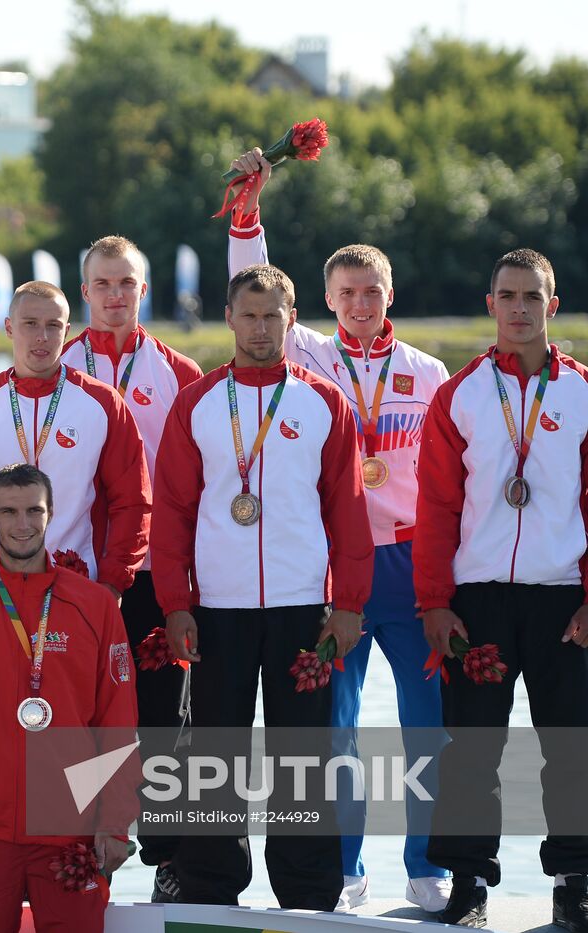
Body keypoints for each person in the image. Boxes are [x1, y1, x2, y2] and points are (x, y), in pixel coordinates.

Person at [226, 148, 454, 913]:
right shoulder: (310, 357)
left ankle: (431, 868)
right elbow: (255, 284)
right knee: (335, 733)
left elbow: (460, 481)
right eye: (347, 292)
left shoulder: (428, 373)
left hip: (416, 565)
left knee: (429, 725)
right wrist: (248, 217)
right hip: (339, 570)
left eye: (372, 291)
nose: (360, 302)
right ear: (323, 300)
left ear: (392, 294)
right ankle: (346, 867)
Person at [413, 249, 588, 931]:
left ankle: (574, 883)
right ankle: (469, 884)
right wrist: (435, 601)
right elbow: (437, 505)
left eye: (532, 296)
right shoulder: (460, 394)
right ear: (490, 304)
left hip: (564, 598)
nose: (519, 308)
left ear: (552, 306)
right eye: (507, 295)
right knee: (472, 749)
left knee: (571, 747)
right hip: (478, 601)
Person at [153, 263, 373, 909]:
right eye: (248, 314)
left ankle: (307, 896)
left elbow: (349, 513)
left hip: (302, 606)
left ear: (292, 318)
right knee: (213, 756)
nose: (259, 327)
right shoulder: (196, 402)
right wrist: (174, 603)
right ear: (229, 317)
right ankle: (211, 889)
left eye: (271, 315)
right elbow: (171, 513)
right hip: (217, 607)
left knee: (301, 758)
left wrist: (351, 605)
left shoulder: (322, 399)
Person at [0, 463, 139, 932]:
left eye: (33, 511)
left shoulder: (94, 606)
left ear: (51, 514)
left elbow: (117, 723)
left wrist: (114, 824)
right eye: (9, 512)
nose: (22, 524)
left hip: (70, 836)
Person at [58, 236, 202, 897]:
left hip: (151, 576)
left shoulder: (180, 374)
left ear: (145, 291)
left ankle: (170, 860)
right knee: (72, 720)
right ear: (83, 291)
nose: (116, 295)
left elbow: (199, 483)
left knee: (162, 720)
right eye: (103, 283)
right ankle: (71, 856)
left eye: (127, 283)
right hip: (72, 576)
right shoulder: (54, 365)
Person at [0, 280, 150, 597]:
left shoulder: (103, 403)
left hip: (79, 583)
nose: (42, 337)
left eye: (53, 325)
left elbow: (133, 501)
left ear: (68, 329)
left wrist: (114, 581)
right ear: (8, 327)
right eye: (30, 324)